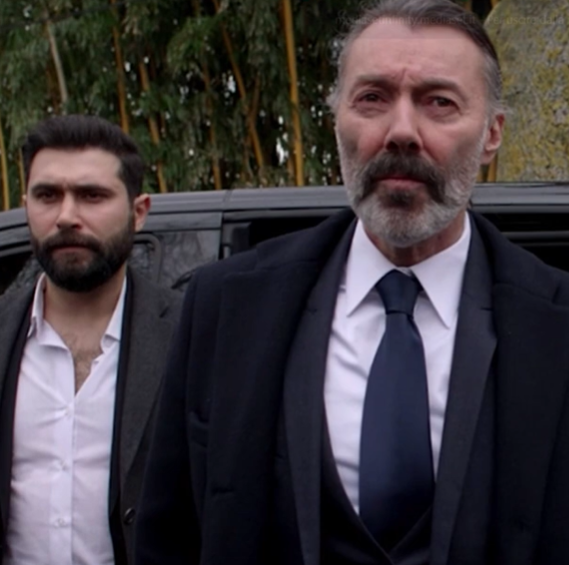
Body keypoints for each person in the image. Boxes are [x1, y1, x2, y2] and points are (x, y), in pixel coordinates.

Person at [135, 1, 569, 564]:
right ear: (335, 119)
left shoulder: (556, 326)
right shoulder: (227, 309)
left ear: (492, 134)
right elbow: (168, 537)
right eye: (372, 98)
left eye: (439, 102)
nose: (401, 131)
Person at [0, 115, 181, 565]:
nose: (66, 216)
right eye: (47, 196)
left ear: (139, 211)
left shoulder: (190, 335)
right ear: (26, 206)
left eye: (91, 195)